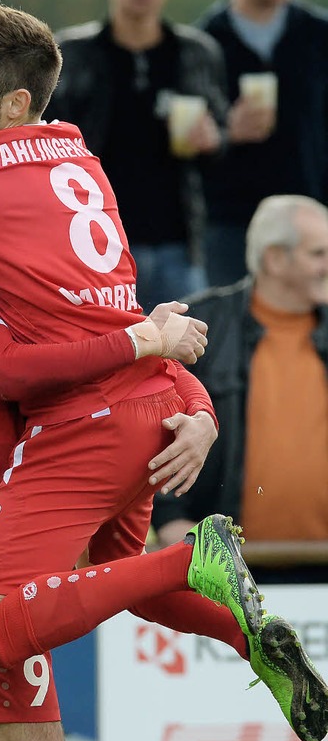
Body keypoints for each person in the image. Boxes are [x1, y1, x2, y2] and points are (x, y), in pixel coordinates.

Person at [0, 3, 328, 741]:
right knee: (14, 667)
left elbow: (105, 328)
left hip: (0, 509)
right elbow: (24, 367)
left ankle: (229, 616)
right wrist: (155, 350)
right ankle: (194, 571)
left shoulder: (2, 254)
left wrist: (193, 400)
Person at [0, 107, 225, 741]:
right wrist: (144, 340)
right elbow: (16, 372)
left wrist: (200, 411)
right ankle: (188, 563)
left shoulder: (25, 277)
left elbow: (137, 346)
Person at [153, 195, 328, 585]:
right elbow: (151, 420)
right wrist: (168, 518)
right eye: (319, 253)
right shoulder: (199, 327)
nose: (327, 265)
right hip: (224, 573)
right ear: (275, 260)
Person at [45, 0, 228, 310]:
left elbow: (222, 137)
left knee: (186, 352)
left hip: (178, 241)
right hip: (94, 241)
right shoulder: (71, 53)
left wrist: (214, 140)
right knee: (106, 351)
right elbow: (44, 138)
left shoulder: (197, 53)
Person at [197, 0, 328, 287]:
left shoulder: (318, 34)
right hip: (229, 222)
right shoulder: (204, 41)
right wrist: (227, 132)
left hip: (310, 217)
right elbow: (182, 142)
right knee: (230, 325)